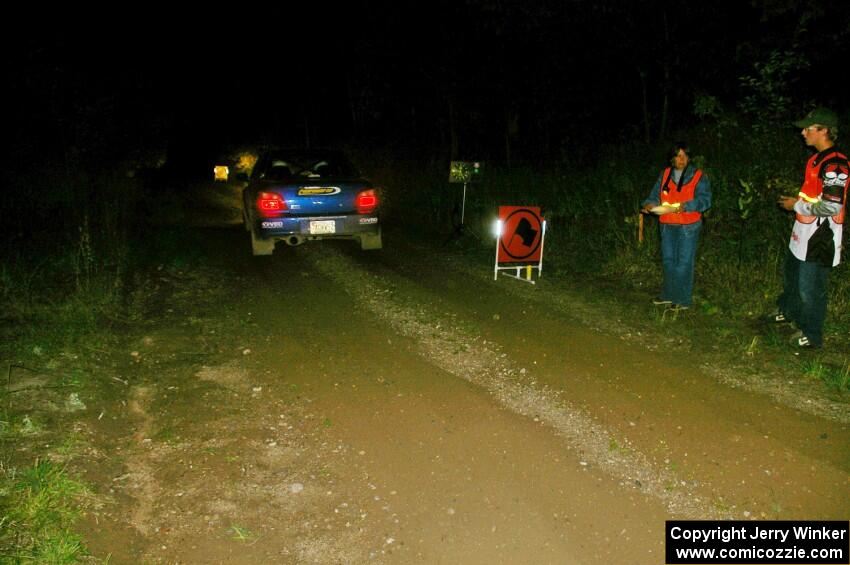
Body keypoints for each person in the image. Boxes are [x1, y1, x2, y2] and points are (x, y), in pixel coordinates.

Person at [768, 107, 849, 349]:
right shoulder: (815, 159)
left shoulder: (836, 165)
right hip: (801, 234)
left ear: (824, 131)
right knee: (791, 276)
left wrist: (798, 205)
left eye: (808, 128)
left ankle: (812, 335)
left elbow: (832, 207)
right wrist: (798, 205)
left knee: (810, 288)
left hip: (820, 238)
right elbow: (813, 196)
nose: (803, 132)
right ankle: (787, 312)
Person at [641, 142, 712, 311]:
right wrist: (650, 205)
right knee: (668, 261)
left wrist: (686, 205)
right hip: (666, 224)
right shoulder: (665, 174)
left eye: (685, 156)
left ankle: (683, 300)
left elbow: (705, 200)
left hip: (688, 226)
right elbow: (654, 196)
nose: (682, 159)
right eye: (678, 156)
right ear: (672, 158)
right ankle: (668, 295)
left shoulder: (698, 176)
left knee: (684, 263)